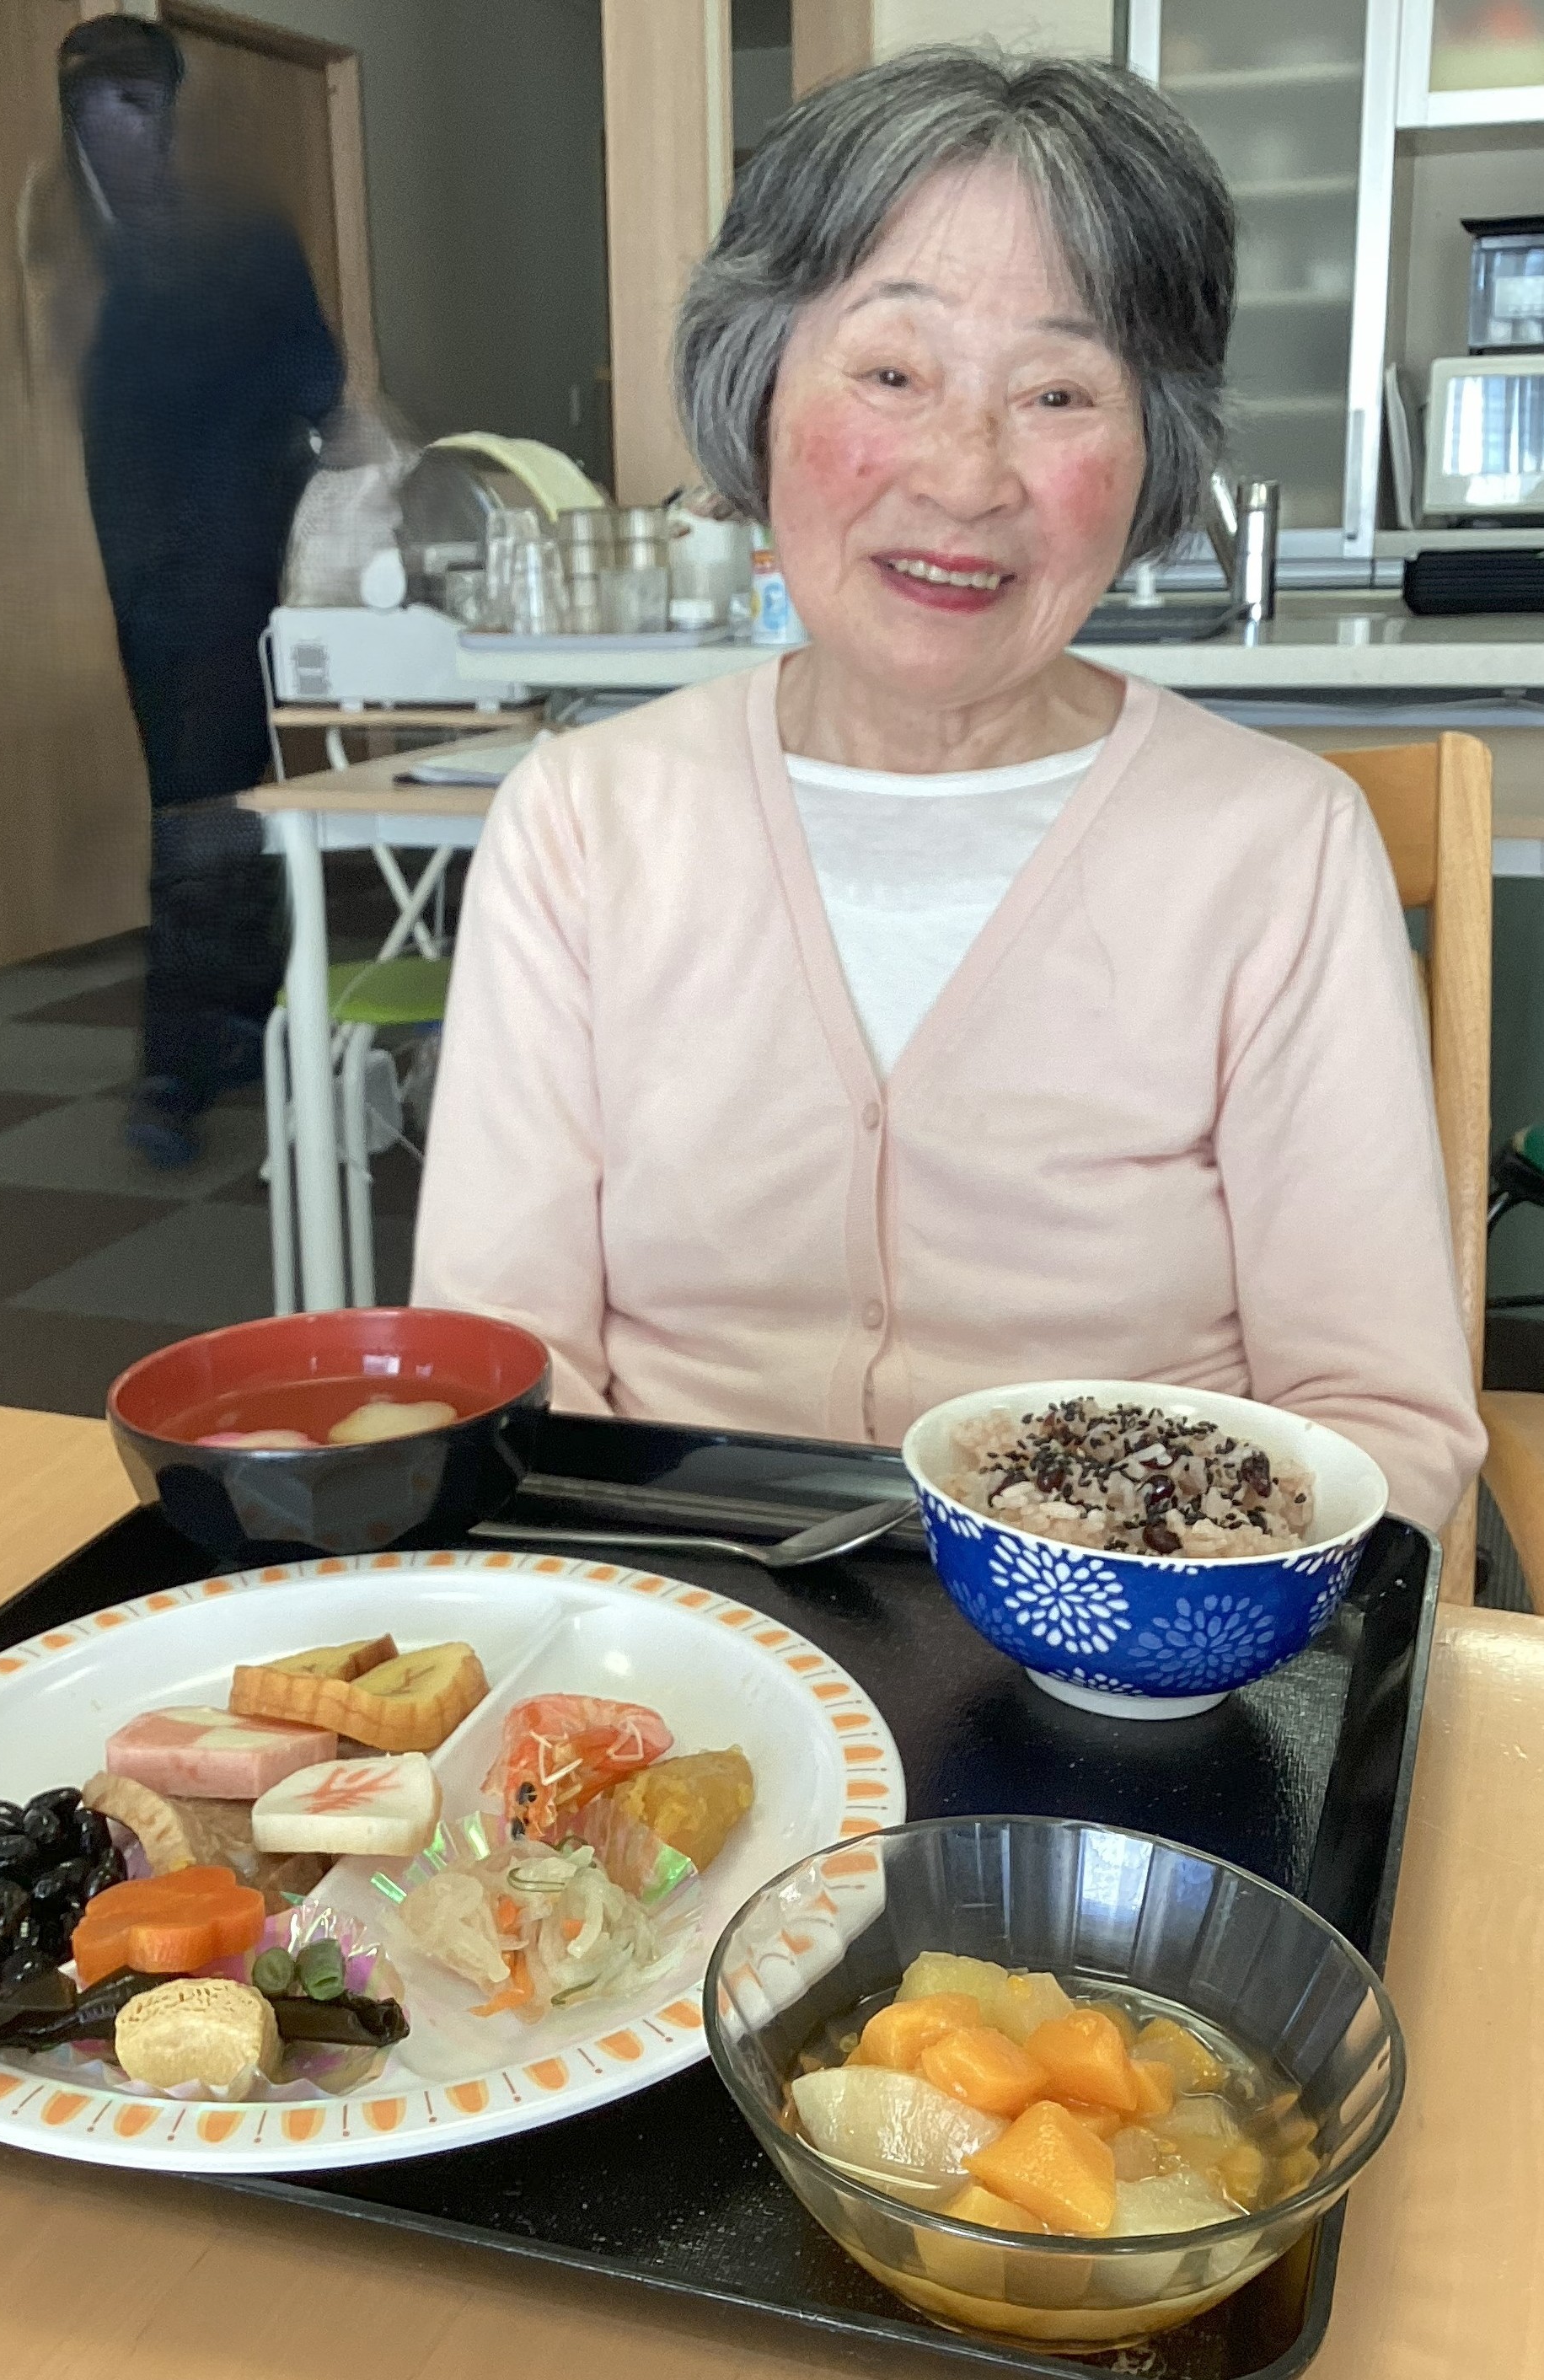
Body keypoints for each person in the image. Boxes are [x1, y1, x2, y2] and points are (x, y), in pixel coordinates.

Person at [411, 47, 1484, 1531]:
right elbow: (501, 1372)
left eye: (1058, 391)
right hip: (660, 1611)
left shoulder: (1278, 847)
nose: (968, 478)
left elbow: (1381, 1432)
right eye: (893, 374)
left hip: (1137, 1628)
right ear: (758, 388)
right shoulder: (584, 824)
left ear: (1152, 450)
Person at [53, 17, 345, 1166]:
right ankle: (236, 1026)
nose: (112, 131)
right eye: (91, 110)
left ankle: (179, 1062)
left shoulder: (242, 245)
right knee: (211, 804)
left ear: (170, 114)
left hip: (239, 575)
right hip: (145, 589)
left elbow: (320, 387)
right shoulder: (90, 256)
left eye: (133, 106)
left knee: (205, 811)